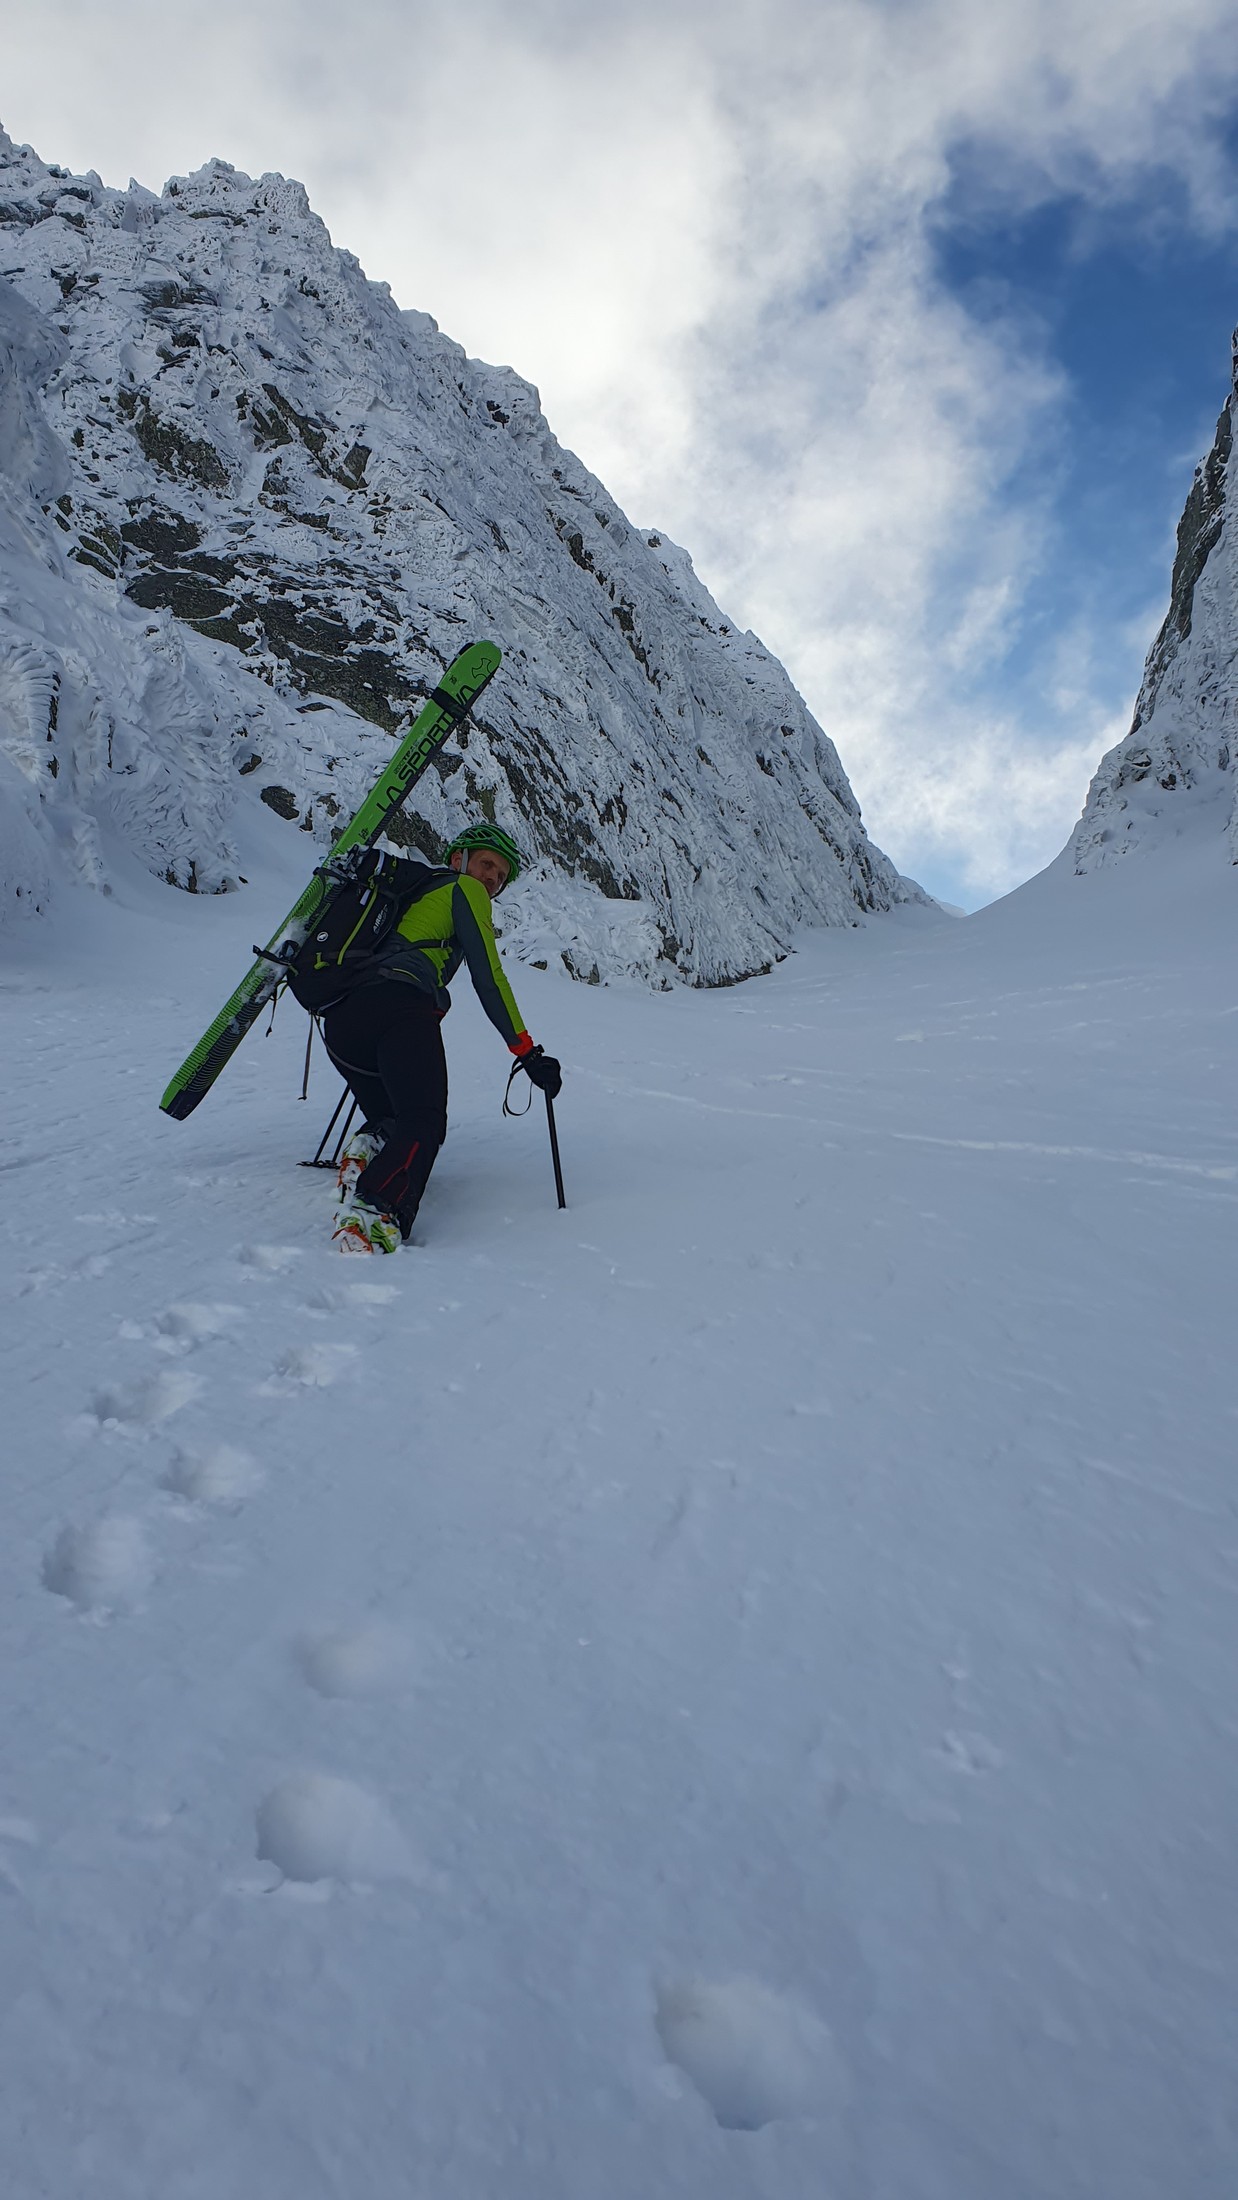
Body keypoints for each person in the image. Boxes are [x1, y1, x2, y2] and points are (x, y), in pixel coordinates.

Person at [321, 822, 561, 1253]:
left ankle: (367, 1150)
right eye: (487, 864)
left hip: (343, 1020)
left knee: (394, 1115)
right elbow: (489, 977)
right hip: (399, 1007)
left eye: (501, 876)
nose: (492, 878)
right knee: (425, 1120)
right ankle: (373, 1213)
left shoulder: (417, 894)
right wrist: (526, 1051)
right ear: (459, 859)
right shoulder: (463, 891)